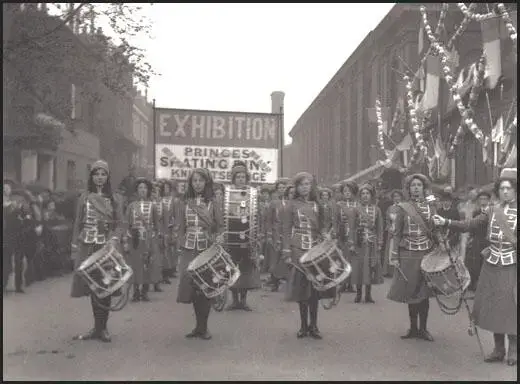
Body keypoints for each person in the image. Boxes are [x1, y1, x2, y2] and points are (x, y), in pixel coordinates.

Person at [433, 168, 517, 366]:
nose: (506, 192)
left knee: (512, 308)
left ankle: (514, 350)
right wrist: (446, 221)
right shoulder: (491, 210)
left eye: (510, 188)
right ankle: (498, 349)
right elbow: (469, 225)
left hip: (513, 264)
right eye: (503, 188)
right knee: (495, 307)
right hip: (492, 264)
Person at [70, 160, 124, 342]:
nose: (99, 178)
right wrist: (74, 246)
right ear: (91, 177)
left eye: (103, 174)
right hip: (87, 245)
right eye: (96, 174)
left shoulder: (115, 198)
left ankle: (103, 328)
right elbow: (78, 222)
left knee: (106, 286)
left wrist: (114, 239)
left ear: (108, 177)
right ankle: (96, 327)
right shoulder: (84, 197)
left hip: (105, 246)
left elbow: (120, 224)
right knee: (93, 287)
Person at [387, 173, 442, 342]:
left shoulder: (431, 207)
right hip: (408, 253)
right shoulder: (402, 207)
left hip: (426, 253)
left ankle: (424, 329)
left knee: (424, 292)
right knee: (411, 291)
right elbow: (396, 234)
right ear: (408, 189)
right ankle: (413, 328)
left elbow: (435, 230)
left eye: (419, 185)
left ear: (424, 188)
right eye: (413, 185)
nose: (416, 188)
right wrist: (395, 255)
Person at [171, 168, 223, 340]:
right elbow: (180, 226)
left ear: (206, 183)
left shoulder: (213, 202)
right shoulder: (184, 202)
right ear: (190, 183)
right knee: (192, 286)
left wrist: (218, 238)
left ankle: (204, 327)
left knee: (205, 286)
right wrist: (179, 243)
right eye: (194, 181)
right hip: (189, 247)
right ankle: (198, 326)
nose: (197, 184)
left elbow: (220, 226)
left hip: (206, 247)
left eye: (201, 180)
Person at [282, 172, 332, 339]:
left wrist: (325, 234)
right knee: (302, 288)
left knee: (315, 289)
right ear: (296, 187)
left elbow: (323, 226)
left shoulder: (318, 205)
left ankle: (314, 325)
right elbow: (286, 229)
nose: (305, 187)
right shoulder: (291, 205)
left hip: (315, 248)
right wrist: (287, 251)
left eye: (308, 184)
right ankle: (303, 326)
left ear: (312, 186)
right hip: (298, 249)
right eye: (302, 184)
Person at [225, 161, 262, 310]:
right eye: (237, 177)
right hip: (232, 236)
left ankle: (243, 300)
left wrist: (256, 236)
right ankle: (234, 300)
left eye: (243, 177)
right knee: (232, 268)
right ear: (233, 179)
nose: (240, 179)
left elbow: (256, 216)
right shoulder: (228, 194)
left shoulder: (252, 194)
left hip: (248, 236)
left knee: (246, 268)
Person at [123, 177, 162, 302]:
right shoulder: (131, 206)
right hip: (135, 239)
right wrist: (126, 238)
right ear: (136, 190)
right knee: (135, 266)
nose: (143, 190)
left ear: (148, 190)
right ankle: (135, 292)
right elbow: (126, 224)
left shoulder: (152, 206)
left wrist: (154, 238)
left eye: (145, 188)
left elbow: (156, 225)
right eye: (140, 188)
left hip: (148, 239)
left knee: (147, 265)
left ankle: (144, 292)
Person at [350, 183, 384, 303]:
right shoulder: (355, 209)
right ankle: (358, 294)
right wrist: (352, 243)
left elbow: (380, 227)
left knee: (370, 267)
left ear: (371, 195)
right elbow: (352, 227)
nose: (365, 196)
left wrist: (380, 242)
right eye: (363, 194)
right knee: (359, 268)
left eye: (367, 193)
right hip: (359, 243)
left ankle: (368, 295)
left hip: (371, 243)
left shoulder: (377, 210)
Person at [266, 178, 291, 292]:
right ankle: (274, 282)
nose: (282, 190)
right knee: (275, 258)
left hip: (288, 234)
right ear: (277, 190)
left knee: (287, 258)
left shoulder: (291, 202)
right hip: (276, 233)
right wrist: (270, 234)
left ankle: (288, 280)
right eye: (280, 188)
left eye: (284, 188)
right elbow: (269, 220)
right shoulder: (274, 203)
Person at [465, 189, 491, 292]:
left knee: (487, 264)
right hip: (477, 240)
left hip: (488, 241)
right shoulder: (476, 212)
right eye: (481, 199)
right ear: (478, 201)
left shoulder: (492, 211)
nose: (483, 201)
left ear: (489, 200)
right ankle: (475, 286)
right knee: (475, 264)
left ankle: (487, 287)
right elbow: (472, 226)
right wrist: (471, 238)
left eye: (485, 199)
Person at [335, 181, 359, 292]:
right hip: (343, 234)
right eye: (345, 191)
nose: (347, 193)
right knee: (343, 259)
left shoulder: (358, 205)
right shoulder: (339, 205)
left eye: (349, 191)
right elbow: (335, 221)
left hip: (355, 235)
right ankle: (343, 283)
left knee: (353, 260)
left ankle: (351, 283)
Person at [382, 189, 404, 277]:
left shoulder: (404, 207)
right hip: (392, 231)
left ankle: (400, 270)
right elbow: (387, 220)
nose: (396, 198)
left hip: (401, 232)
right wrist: (389, 227)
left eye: (398, 196)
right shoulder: (390, 208)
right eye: (394, 196)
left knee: (399, 250)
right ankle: (390, 271)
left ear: (401, 197)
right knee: (391, 249)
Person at [160, 179, 179, 281]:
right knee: (164, 250)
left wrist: (175, 230)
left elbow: (176, 216)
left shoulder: (174, 200)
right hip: (162, 228)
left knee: (172, 250)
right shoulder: (160, 200)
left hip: (171, 228)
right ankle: (165, 272)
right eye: (164, 188)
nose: (166, 189)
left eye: (167, 188)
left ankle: (172, 269)